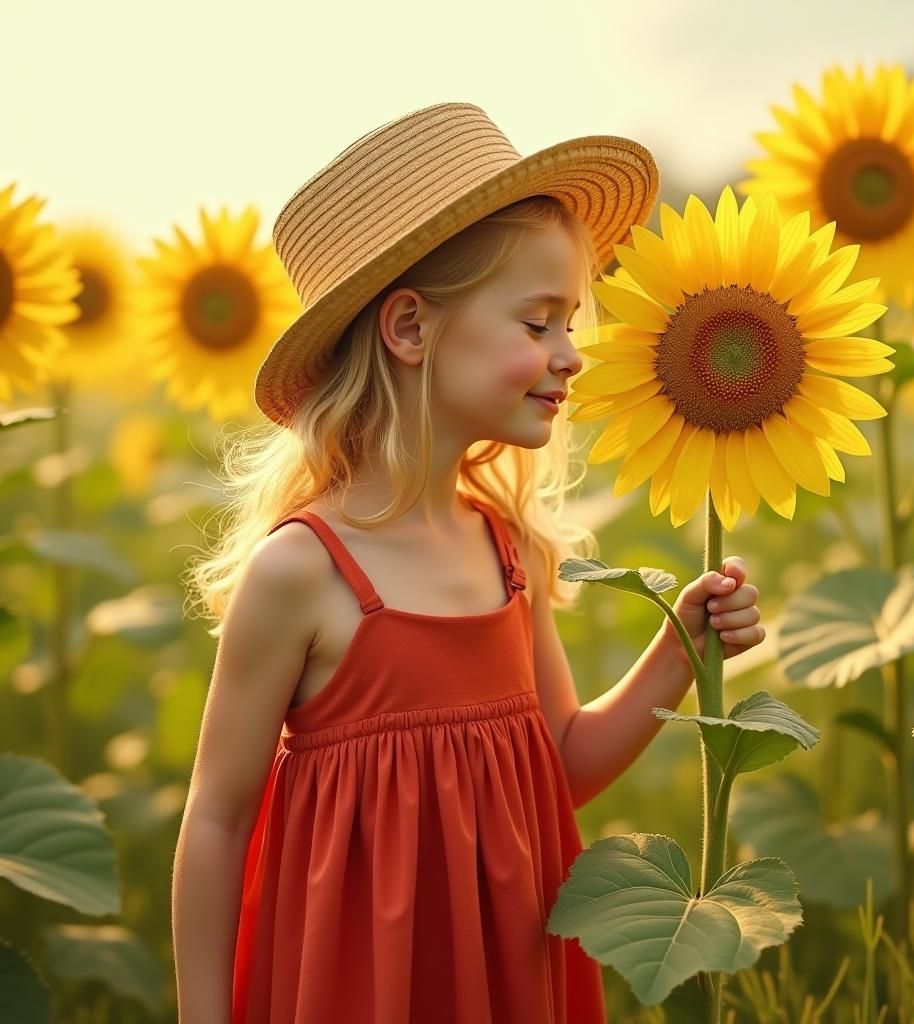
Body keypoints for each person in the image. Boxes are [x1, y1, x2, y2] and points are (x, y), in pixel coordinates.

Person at [171, 101, 765, 1024]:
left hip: (508, 975)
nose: (571, 356)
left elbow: (560, 764)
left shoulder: (508, 549)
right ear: (409, 330)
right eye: (538, 324)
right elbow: (215, 820)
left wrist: (679, 645)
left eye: (569, 322)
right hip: (352, 987)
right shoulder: (304, 573)